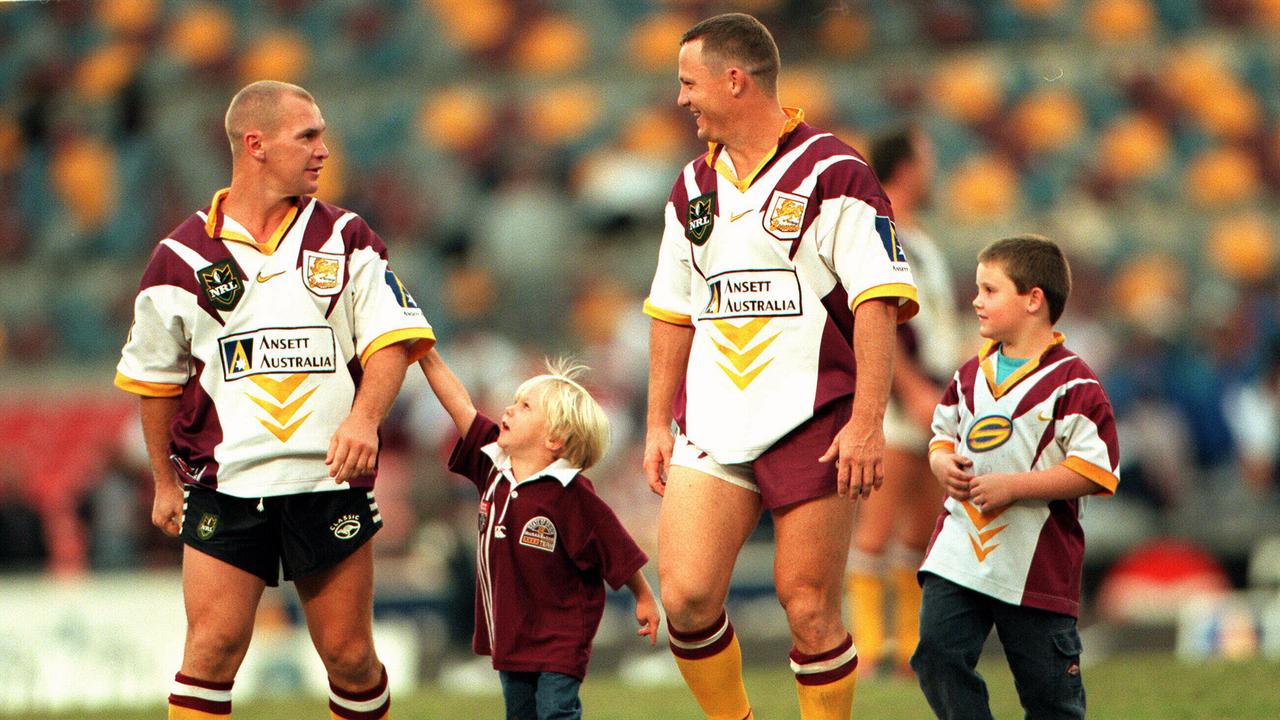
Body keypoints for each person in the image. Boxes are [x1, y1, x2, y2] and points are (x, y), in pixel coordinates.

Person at [115, 80, 436, 720]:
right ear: (255, 145)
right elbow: (155, 379)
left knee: (349, 657)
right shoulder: (179, 257)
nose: (324, 149)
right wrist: (162, 481)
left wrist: (365, 420)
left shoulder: (347, 235)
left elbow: (392, 343)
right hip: (225, 486)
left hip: (328, 482)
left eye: (322, 134)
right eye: (308, 136)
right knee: (210, 651)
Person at [642, 13, 918, 720]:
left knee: (810, 610)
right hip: (712, 419)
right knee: (688, 597)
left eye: (688, 83)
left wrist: (865, 423)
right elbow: (673, 312)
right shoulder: (690, 189)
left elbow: (878, 304)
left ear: (735, 80)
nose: (681, 100)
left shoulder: (836, 172)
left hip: (814, 417)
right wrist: (655, 423)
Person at [912, 236, 1120, 720]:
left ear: (1033, 300)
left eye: (990, 290)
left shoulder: (1076, 385)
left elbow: (1096, 469)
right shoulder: (968, 375)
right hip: (961, 548)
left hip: (1036, 563)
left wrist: (1013, 486)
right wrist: (941, 463)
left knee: (1050, 698)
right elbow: (942, 434)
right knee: (937, 653)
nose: (975, 300)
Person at [419, 349, 660, 720]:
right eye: (514, 402)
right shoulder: (493, 467)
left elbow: (616, 549)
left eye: (525, 406)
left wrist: (644, 597)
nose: (510, 409)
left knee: (556, 713)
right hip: (511, 632)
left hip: (560, 636)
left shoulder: (571, 494)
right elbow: (460, 407)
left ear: (554, 440)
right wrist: (425, 354)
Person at [846, 127, 960, 677]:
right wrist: (910, 388)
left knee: (920, 527)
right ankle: (868, 646)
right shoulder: (881, 227)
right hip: (897, 392)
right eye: (928, 154)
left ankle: (911, 642)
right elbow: (881, 317)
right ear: (908, 165)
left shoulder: (923, 238)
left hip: (933, 387)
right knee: (878, 523)